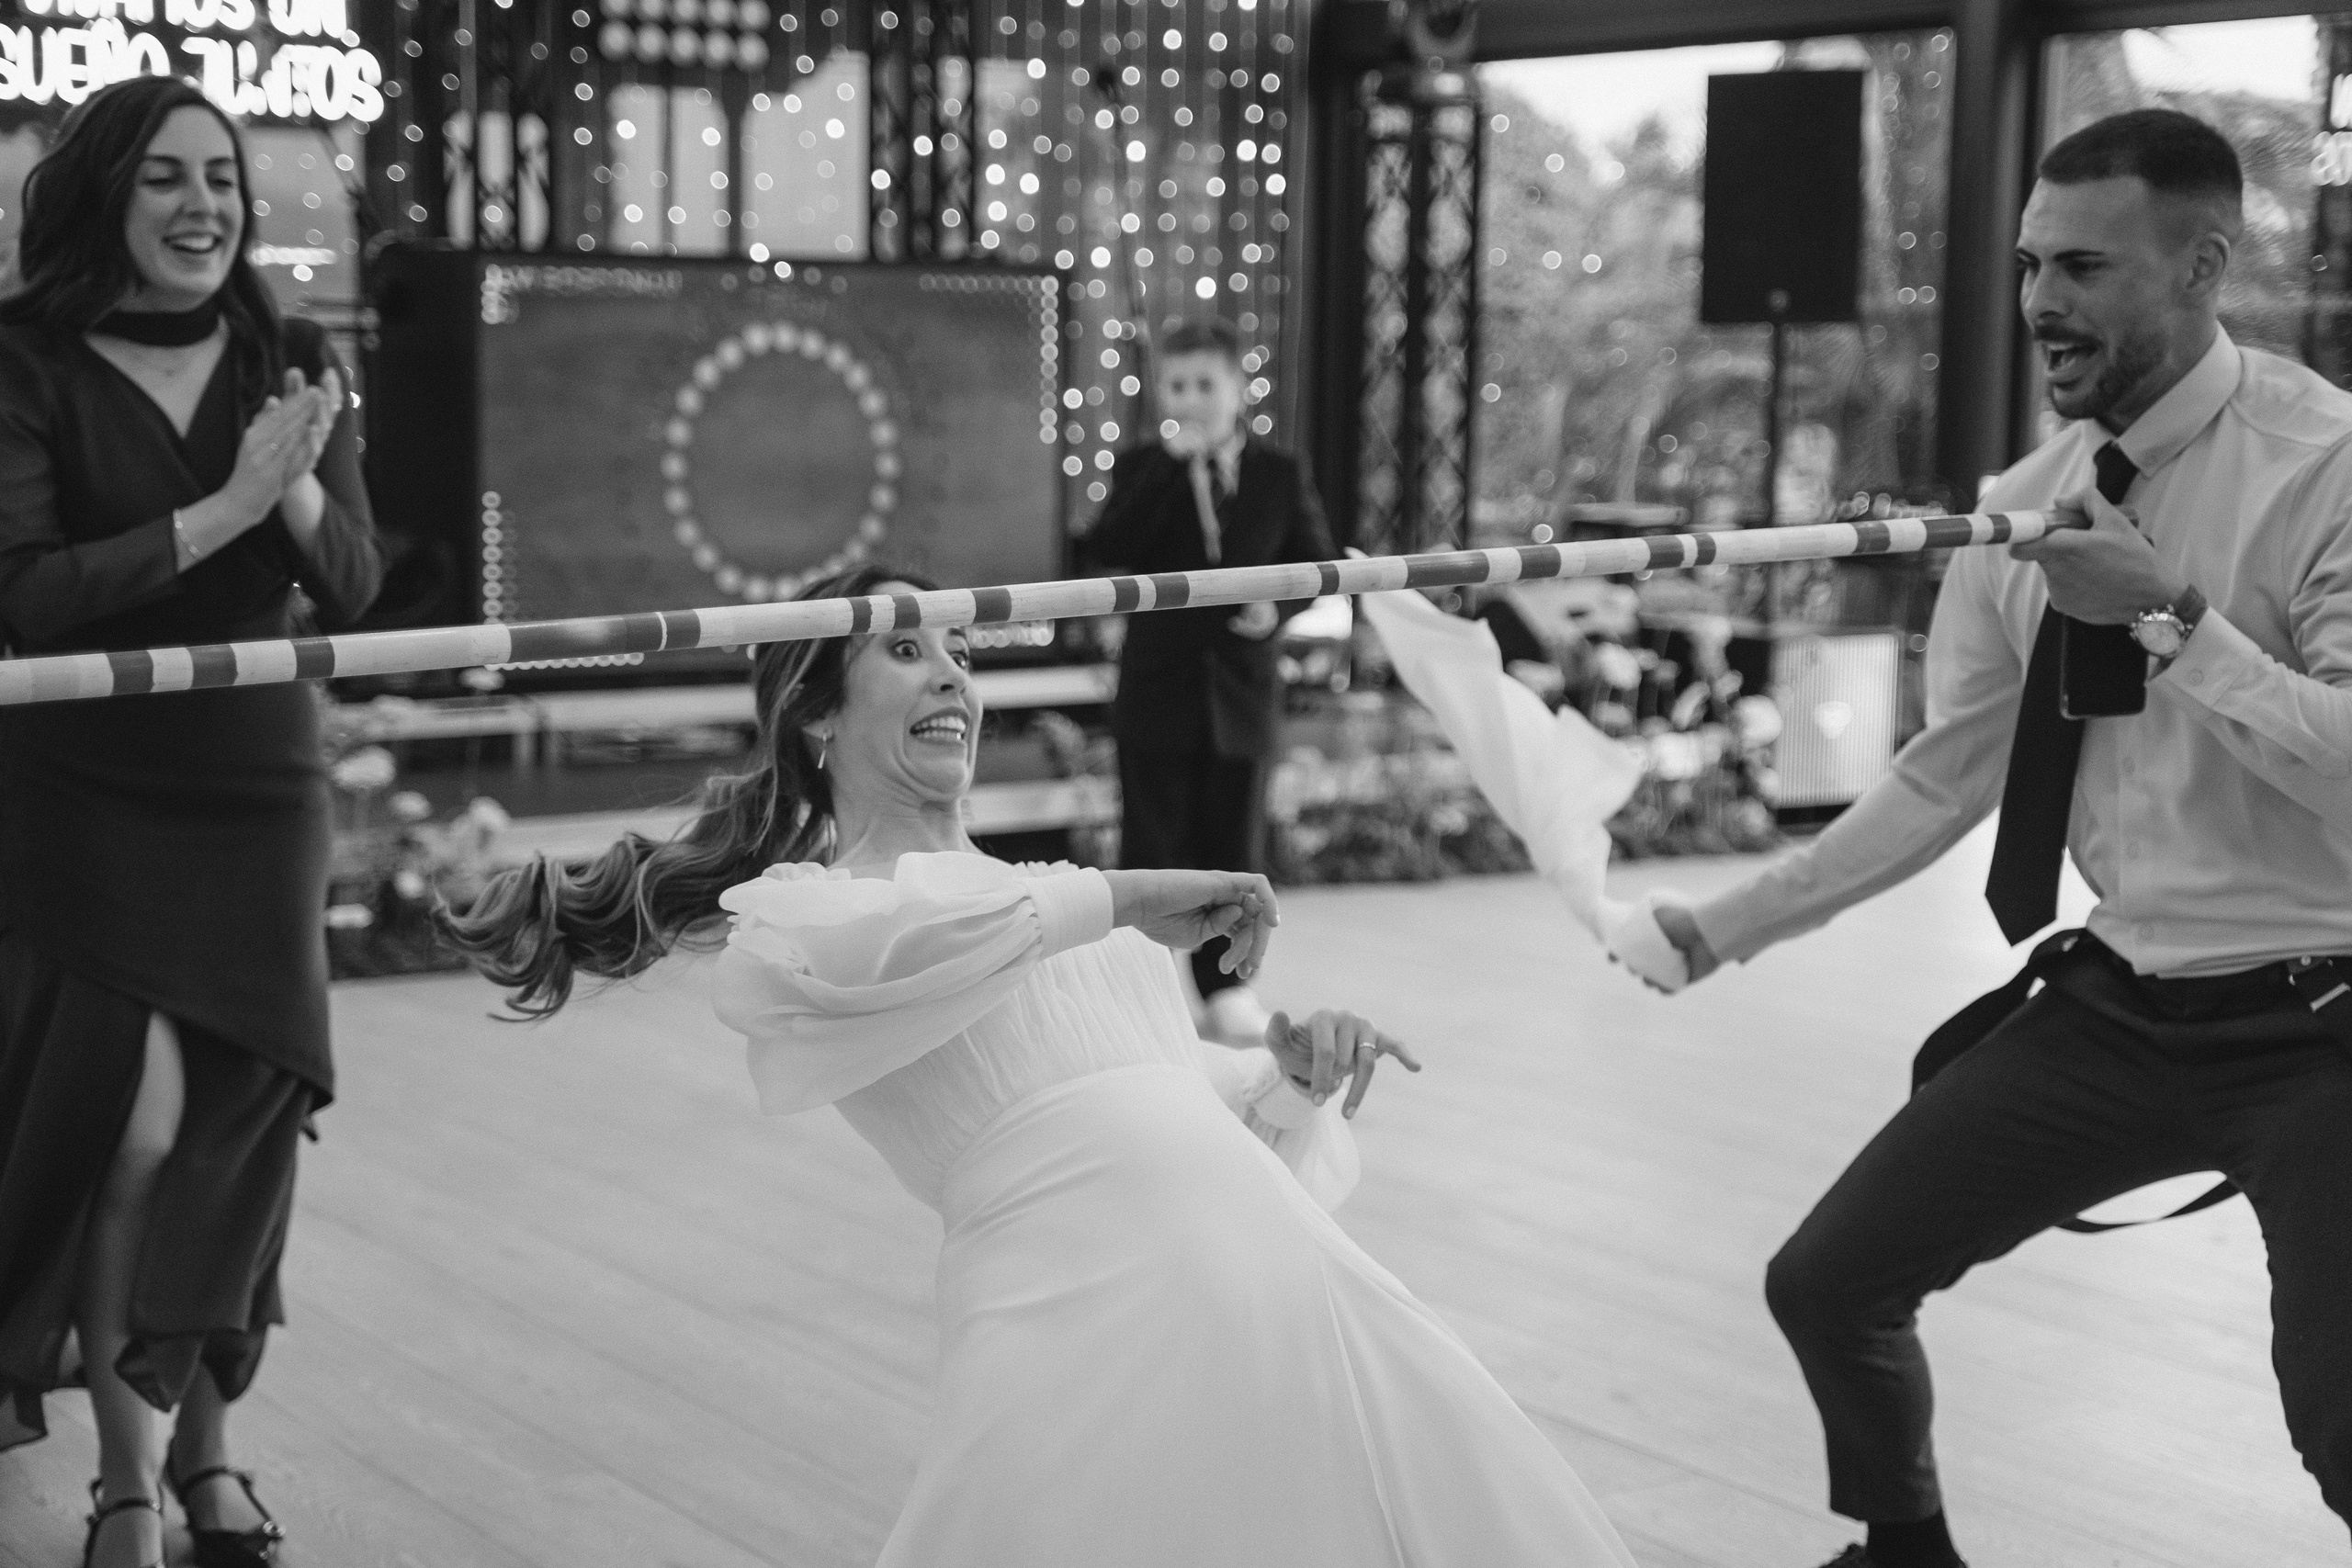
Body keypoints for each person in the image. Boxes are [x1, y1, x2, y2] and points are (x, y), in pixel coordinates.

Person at [440, 565, 1638, 1568]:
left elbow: (1172, 1101)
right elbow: (935, 939)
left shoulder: (1061, 901)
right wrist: (1129, 894)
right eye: (907, 649)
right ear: (816, 717)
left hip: (1281, 1287)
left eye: (959, 650)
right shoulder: (805, 920)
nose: (953, 672)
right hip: (1075, 1317)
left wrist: (1285, 1073)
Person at [1623, 110, 2352, 1566]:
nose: (2039, 303)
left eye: (2082, 265)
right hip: (2122, 1003)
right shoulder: (2020, 513)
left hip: (2325, 1012)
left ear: (2207, 265)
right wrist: (1726, 922)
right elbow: (1942, 775)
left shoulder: (2323, 466)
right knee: (1830, 1279)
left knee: (2345, 1430)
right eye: (2028, 264)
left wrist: (2166, 616)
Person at [0, 78, 379, 1568]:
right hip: (86, 790)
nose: (202, 203)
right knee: (135, 1129)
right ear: (104, 194)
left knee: (243, 1126)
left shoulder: (292, 351)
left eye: (220, 175)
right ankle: (125, 1477)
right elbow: (26, 599)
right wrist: (232, 503)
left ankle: (212, 1458)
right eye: (163, 177)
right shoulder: (22, 358)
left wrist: (284, 496)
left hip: (254, 783)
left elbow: (350, 586)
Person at [1081, 316, 1337, 1044]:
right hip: (1158, 687)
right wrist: (1166, 468)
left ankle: (1228, 990)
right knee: (1151, 841)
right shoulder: (1141, 466)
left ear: (1239, 390)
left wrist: (1278, 605)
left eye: (1205, 384)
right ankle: (1146, 985)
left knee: (1236, 844)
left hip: (1243, 692)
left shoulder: (1280, 472)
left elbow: (1317, 563)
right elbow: (1108, 545)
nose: (1190, 399)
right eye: (1177, 384)